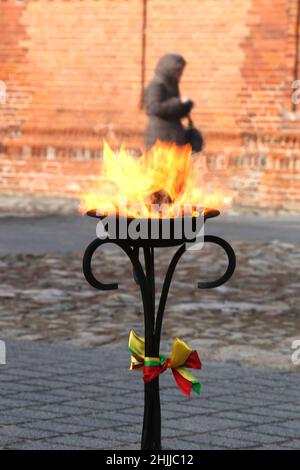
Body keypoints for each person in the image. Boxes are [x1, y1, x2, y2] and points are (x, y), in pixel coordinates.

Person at [144, 53, 194, 148]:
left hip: (174, 137)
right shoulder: (157, 84)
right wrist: (178, 102)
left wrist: (186, 106)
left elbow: (173, 112)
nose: (181, 74)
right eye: (178, 70)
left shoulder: (172, 85)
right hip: (160, 139)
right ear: (170, 69)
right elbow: (153, 108)